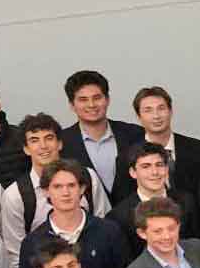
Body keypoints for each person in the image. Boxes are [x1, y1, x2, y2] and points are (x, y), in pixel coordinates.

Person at [17, 164, 132, 268]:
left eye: (71, 185)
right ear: (46, 191)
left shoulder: (109, 231)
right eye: (57, 187)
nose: (65, 193)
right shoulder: (33, 243)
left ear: (82, 189)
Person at [62, 70, 146, 203]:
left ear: (107, 100)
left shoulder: (136, 134)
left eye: (97, 98)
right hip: (87, 221)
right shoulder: (61, 142)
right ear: (72, 105)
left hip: (135, 217)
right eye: (83, 100)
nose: (91, 105)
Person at [130, 86, 200, 197]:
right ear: (139, 116)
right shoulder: (127, 156)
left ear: (171, 111)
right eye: (148, 110)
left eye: (161, 108)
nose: (156, 116)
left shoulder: (197, 149)